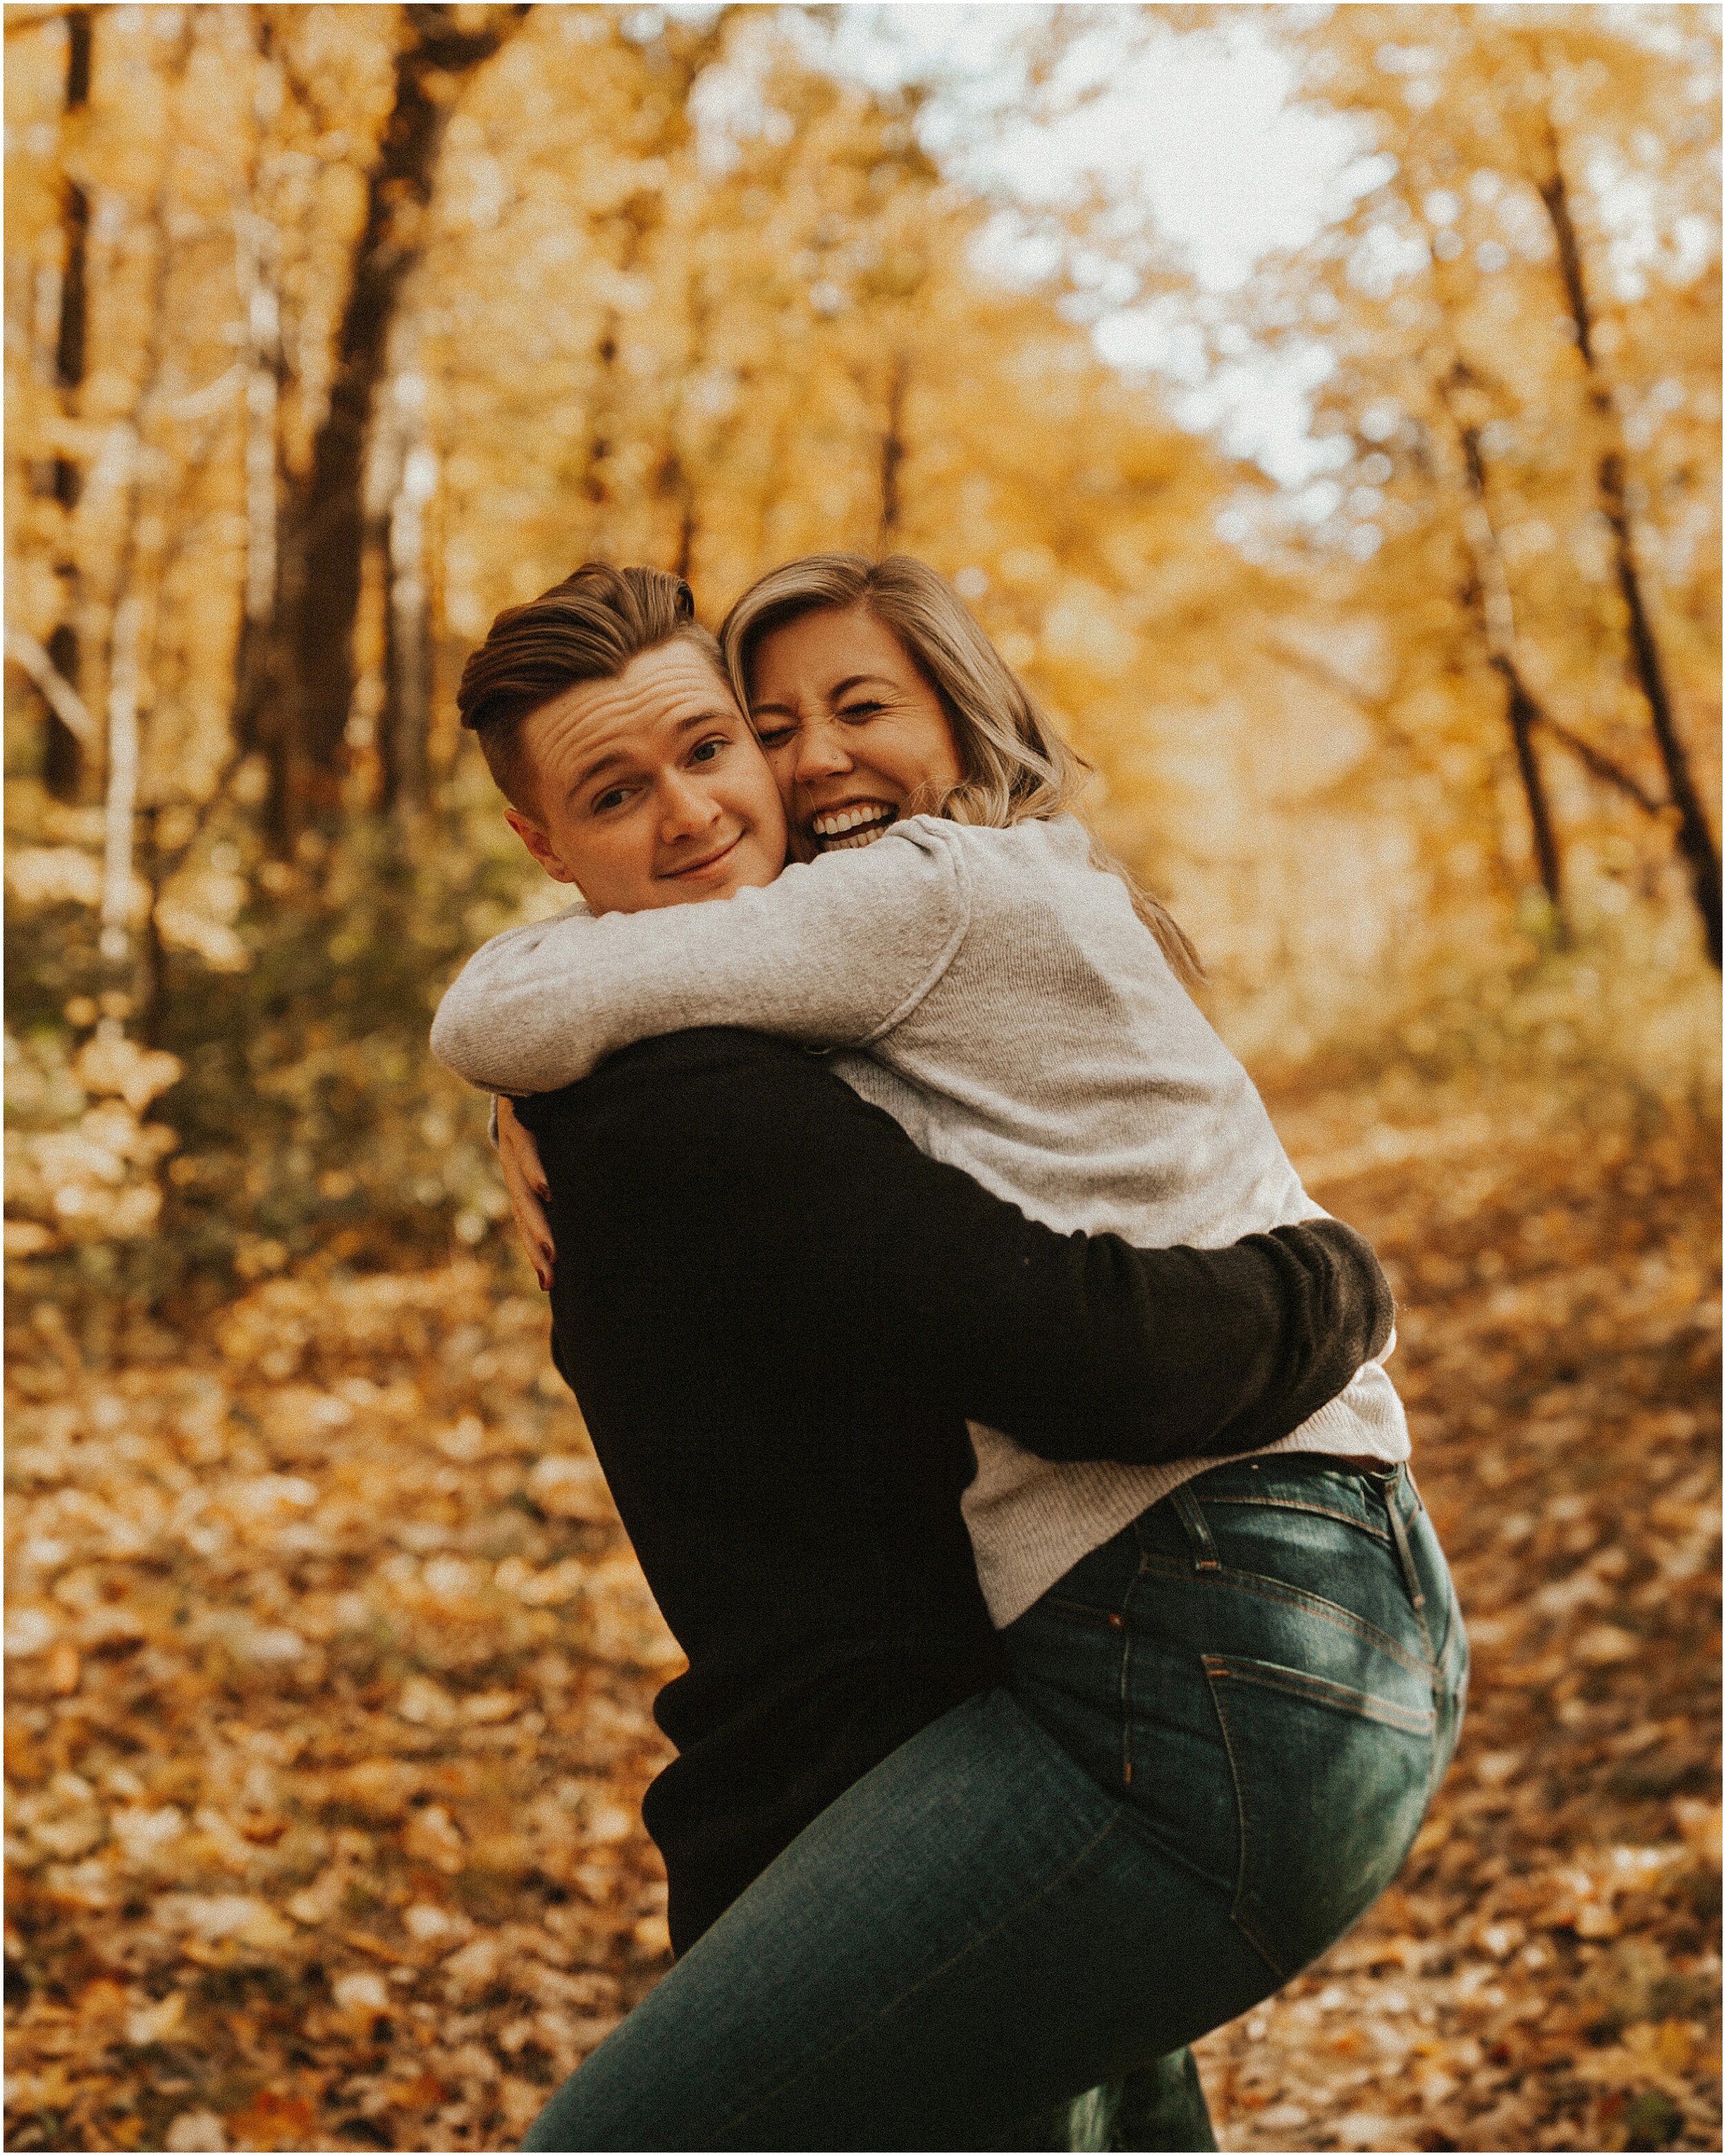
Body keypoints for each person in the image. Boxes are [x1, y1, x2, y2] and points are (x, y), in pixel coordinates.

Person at [432, 562, 1466, 2148]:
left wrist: (1334, 1277)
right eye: (615, 789)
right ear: (542, 845)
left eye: (715, 748)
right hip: (944, 1751)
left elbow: (1093, 1354)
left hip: (1120, 1696)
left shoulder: (790, 999)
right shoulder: (688, 1082)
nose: (708, 805)